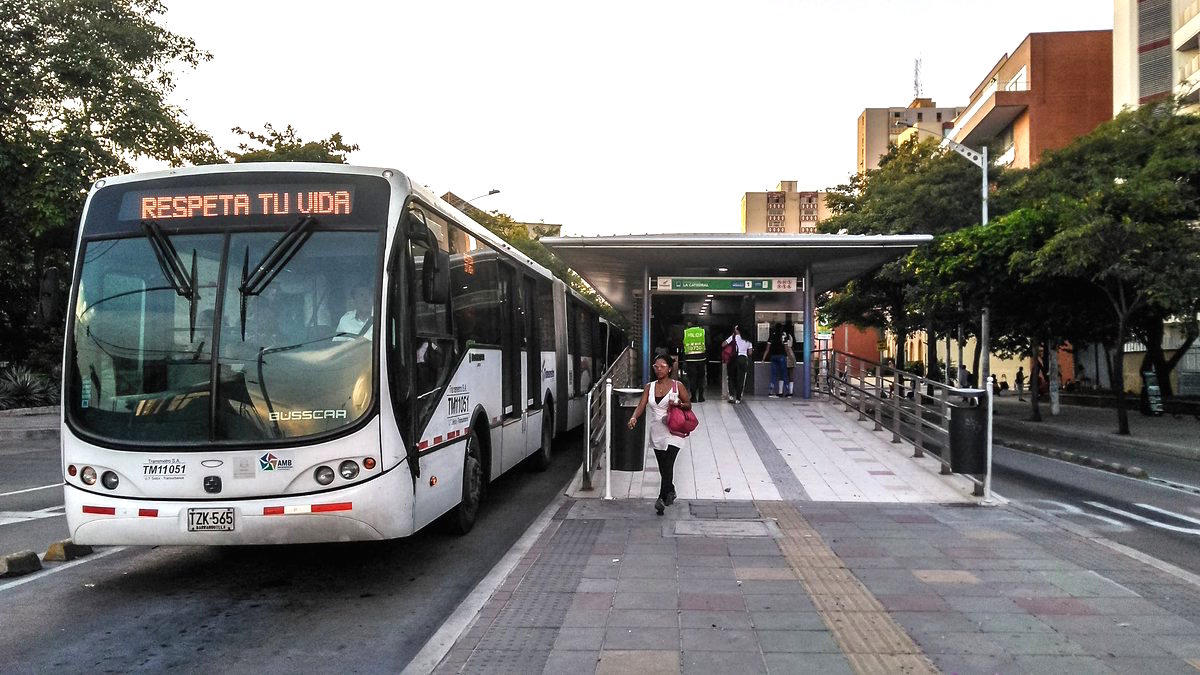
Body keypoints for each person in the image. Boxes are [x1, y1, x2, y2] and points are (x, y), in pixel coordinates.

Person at [627, 355, 692, 515]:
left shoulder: (678, 386)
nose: (659, 369)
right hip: (657, 431)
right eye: (656, 366)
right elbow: (642, 405)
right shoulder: (649, 387)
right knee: (663, 466)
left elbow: (688, 404)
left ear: (669, 368)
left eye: (662, 366)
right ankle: (671, 490)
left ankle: (661, 499)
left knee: (668, 463)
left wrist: (678, 404)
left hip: (674, 430)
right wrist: (634, 417)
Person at [723, 324, 753, 403]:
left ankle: (731, 395)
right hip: (743, 359)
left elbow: (723, 344)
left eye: (735, 329)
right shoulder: (748, 339)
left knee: (731, 377)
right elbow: (750, 352)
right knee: (741, 379)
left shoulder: (733, 337)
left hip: (734, 358)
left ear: (738, 330)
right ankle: (738, 398)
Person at [682, 321, 707, 403]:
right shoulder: (702, 331)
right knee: (700, 378)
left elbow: (682, 344)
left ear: (690, 324)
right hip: (701, 358)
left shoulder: (686, 332)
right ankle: (701, 397)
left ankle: (693, 397)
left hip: (690, 359)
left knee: (692, 378)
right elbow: (707, 343)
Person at [764, 324, 788, 398]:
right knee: (784, 374)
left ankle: (771, 391)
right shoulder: (783, 335)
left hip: (773, 356)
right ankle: (787, 391)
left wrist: (763, 359)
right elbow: (786, 348)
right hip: (782, 356)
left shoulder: (772, 335)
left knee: (773, 375)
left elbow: (767, 349)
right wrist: (788, 356)